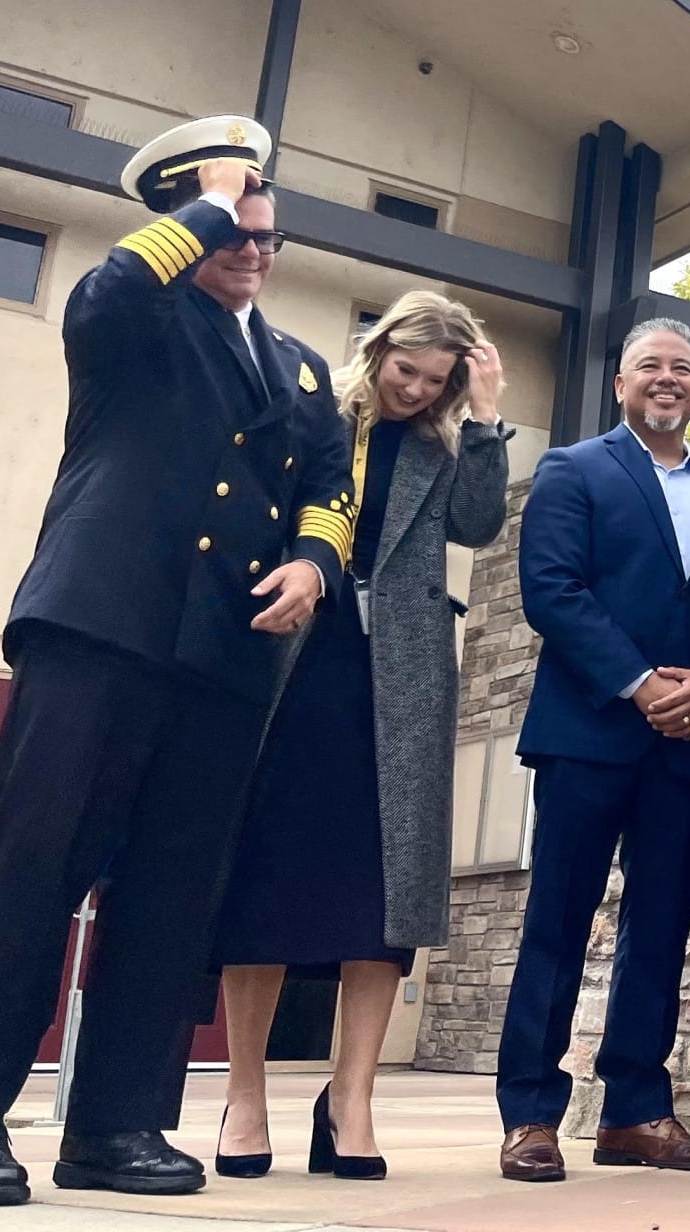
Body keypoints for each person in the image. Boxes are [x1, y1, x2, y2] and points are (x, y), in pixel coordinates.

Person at [0, 116, 353, 1208]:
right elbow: (110, 290)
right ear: (181, 224)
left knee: (170, 896)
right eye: (232, 230)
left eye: (268, 237)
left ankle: (116, 1125)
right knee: (35, 872)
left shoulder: (303, 371)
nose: (254, 251)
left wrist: (312, 560)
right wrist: (203, 202)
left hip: (223, 657)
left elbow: (329, 482)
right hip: (102, 628)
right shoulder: (135, 317)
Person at [212, 292, 511, 1181]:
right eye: (404, 370)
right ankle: (245, 1093)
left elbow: (480, 524)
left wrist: (488, 417)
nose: (415, 391)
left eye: (436, 381)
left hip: (404, 674)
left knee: (384, 892)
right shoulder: (312, 411)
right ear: (378, 351)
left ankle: (352, 1099)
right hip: (296, 657)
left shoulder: (445, 446)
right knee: (266, 871)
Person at [494, 319, 690, 1183]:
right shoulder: (575, 470)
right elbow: (552, 590)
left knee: (661, 930)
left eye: (682, 367)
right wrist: (642, 683)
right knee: (557, 923)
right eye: (650, 365)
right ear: (620, 384)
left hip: (686, 749)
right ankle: (532, 1114)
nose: (667, 378)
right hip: (588, 734)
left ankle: (636, 1113)